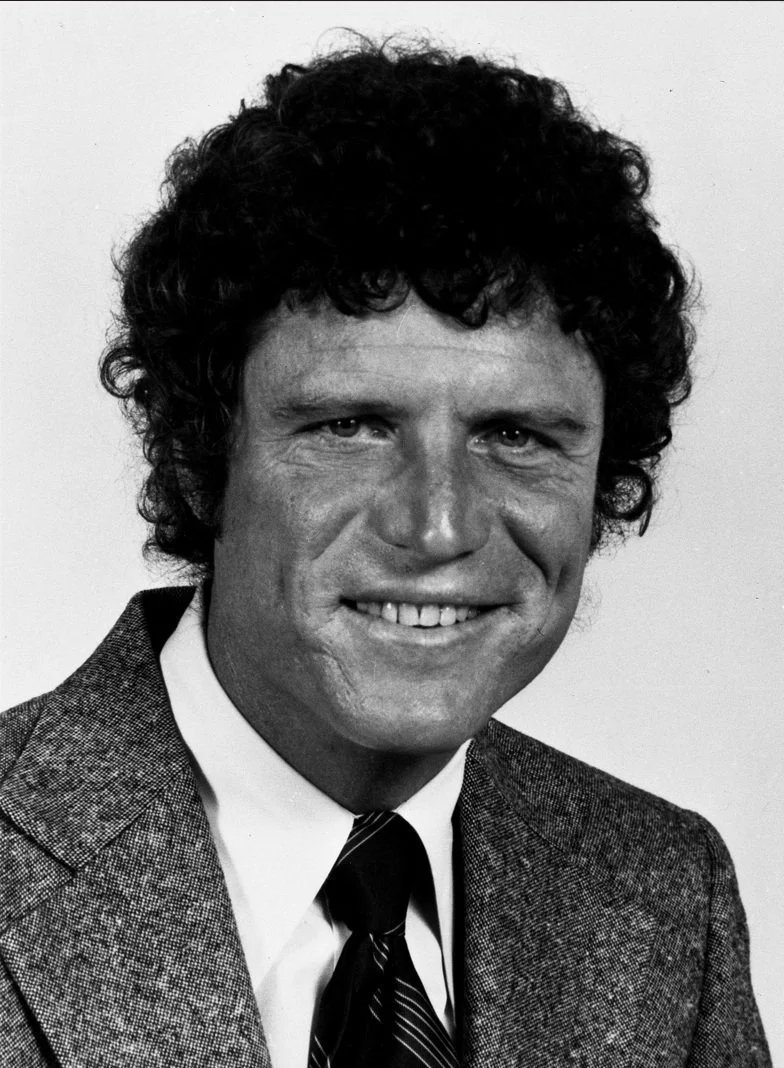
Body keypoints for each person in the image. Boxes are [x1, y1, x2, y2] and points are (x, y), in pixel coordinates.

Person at [0, 38, 770, 1068]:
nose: (439, 527)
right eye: (350, 427)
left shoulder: (666, 895)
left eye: (515, 436)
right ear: (197, 458)